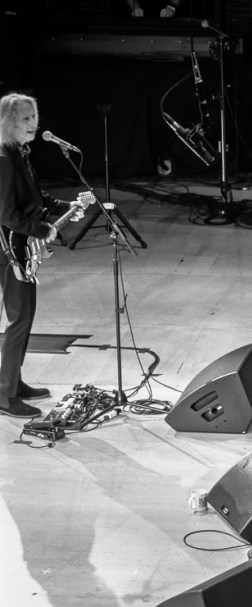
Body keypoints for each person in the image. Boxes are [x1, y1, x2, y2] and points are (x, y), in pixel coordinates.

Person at [0, 93, 85, 419]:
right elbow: (7, 215)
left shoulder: (19, 153)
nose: (33, 124)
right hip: (9, 251)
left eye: (34, 117)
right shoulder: (4, 160)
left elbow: (36, 196)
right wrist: (41, 230)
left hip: (22, 248)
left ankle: (14, 382)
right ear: (8, 122)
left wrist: (64, 207)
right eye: (25, 119)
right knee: (19, 318)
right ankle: (5, 395)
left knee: (26, 316)